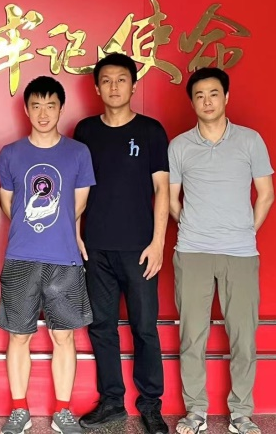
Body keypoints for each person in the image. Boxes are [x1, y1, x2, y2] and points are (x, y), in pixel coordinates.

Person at [168, 68, 274, 434]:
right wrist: (193, 226)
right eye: (199, 95)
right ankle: (195, 411)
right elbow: (171, 200)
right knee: (191, 336)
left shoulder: (250, 141)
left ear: (226, 97)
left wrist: (245, 230)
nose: (207, 101)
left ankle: (241, 413)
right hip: (192, 251)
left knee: (244, 336)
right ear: (192, 102)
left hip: (240, 253)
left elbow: (266, 194)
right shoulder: (179, 146)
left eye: (214, 93)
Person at [73, 54, 169, 434]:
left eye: (121, 80)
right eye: (107, 80)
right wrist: (75, 233)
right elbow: (77, 187)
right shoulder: (85, 131)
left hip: (140, 249)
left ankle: (151, 406)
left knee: (145, 327)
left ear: (133, 85)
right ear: (97, 88)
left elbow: (162, 189)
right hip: (96, 248)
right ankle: (111, 401)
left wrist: (158, 242)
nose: (114, 87)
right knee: (102, 326)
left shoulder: (150, 131)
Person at [0, 76, 96, 434]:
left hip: (64, 258)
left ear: (60, 108)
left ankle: (63, 411)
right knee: (18, 336)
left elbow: (78, 204)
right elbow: (8, 206)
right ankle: (19, 410)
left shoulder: (78, 153)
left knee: (64, 337)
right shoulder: (10, 154)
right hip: (20, 257)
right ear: (26, 109)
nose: (43, 113)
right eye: (36, 105)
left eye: (50, 105)